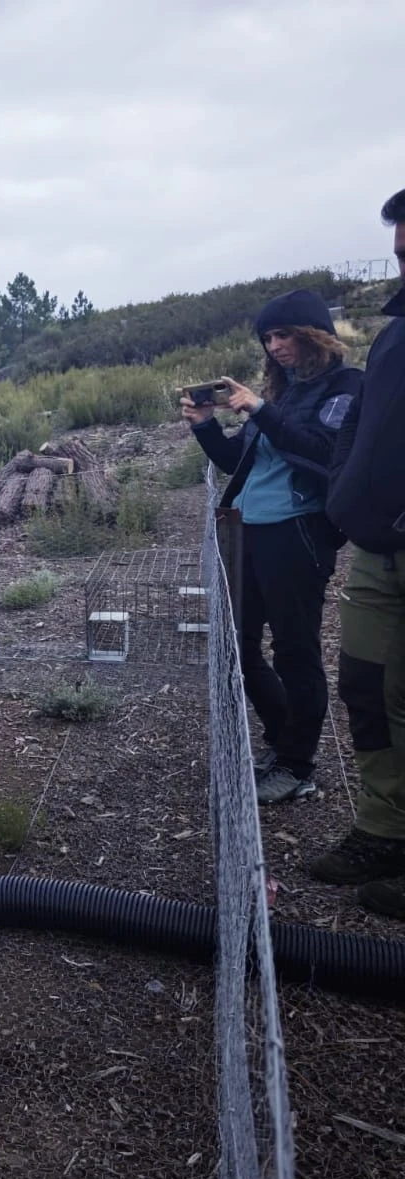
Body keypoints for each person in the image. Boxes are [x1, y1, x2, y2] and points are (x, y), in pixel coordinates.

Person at [183, 289, 361, 804]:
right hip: (253, 531)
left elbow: (323, 451)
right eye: (267, 338)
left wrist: (260, 408)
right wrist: (206, 425)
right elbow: (235, 459)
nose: (275, 346)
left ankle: (297, 765)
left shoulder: (345, 388)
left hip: (299, 533)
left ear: (313, 334)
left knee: (295, 651)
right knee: (238, 645)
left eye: (284, 334)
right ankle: (284, 741)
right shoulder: (285, 393)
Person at [311, 187, 405, 918]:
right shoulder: (396, 332)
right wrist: (346, 492)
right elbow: (360, 430)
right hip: (377, 551)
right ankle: (382, 828)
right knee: (365, 688)